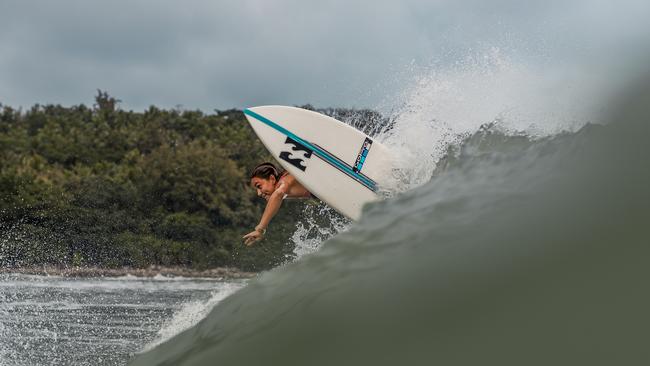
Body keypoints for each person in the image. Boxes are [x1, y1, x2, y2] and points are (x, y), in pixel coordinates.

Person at [243, 162, 314, 246]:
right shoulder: (286, 187)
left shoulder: (284, 182)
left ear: (272, 179)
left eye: (259, 186)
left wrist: (260, 229)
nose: (259, 193)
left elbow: (278, 194)